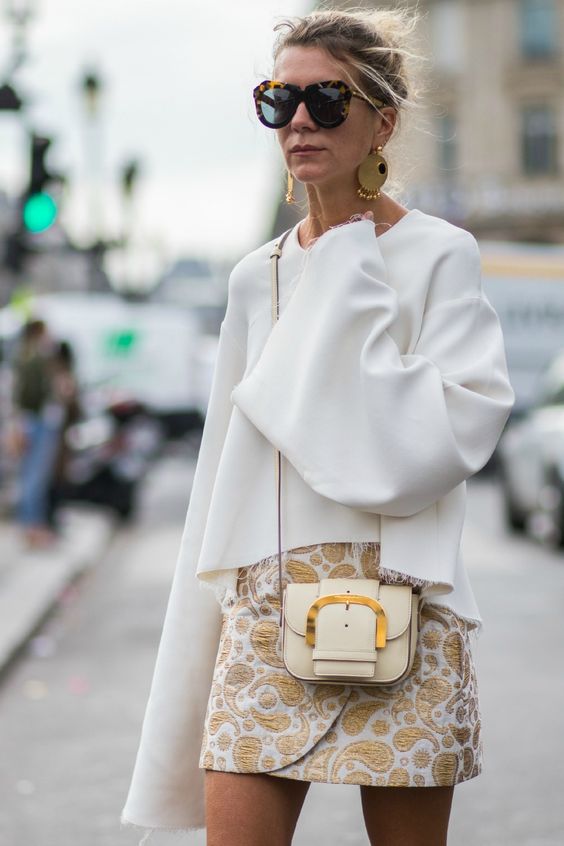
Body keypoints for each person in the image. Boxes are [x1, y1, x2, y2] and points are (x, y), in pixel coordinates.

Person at [121, 8, 515, 846]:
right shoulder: (253, 278)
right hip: (266, 606)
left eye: (326, 101)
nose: (299, 122)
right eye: (278, 100)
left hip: (404, 606)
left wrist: (348, 266)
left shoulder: (441, 254)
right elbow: (221, 469)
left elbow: (447, 437)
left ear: (383, 118)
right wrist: (211, 613)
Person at [10, 318, 63, 548]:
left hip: (34, 421)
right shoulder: (33, 360)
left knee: (32, 476)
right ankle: (33, 526)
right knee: (34, 477)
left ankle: (32, 525)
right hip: (37, 422)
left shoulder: (27, 358)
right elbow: (30, 396)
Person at [46, 340, 82, 532]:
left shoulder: (59, 375)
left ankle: (54, 517)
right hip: (57, 439)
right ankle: (51, 518)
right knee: (56, 478)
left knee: (58, 478)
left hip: (62, 438)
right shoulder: (61, 377)